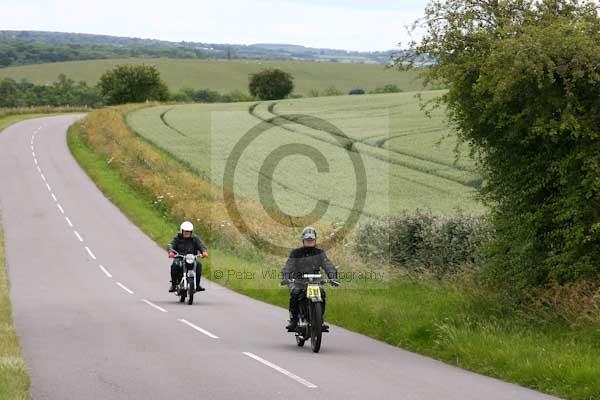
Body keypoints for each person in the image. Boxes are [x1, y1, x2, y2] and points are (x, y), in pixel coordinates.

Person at [281, 226, 340, 332]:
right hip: (298, 281)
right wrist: (286, 277)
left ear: (315, 240)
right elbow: (288, 266)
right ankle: (294, 321)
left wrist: (333, 277)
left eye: (311, 240)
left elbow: (328, 265)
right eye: (307, 240)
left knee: (321, 293)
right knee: (295, 293)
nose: (309, 242)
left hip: (315, 281)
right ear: (303, 240)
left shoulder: (320, 253)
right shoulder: (296, 252)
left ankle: (319, 321)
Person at [168, 221, 208, 292]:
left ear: (191, 232)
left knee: (198, 265)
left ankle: (197, 285)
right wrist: (171, 252)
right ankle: (174, 285)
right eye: (185, 231)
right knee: (174, 265)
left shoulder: (195, 239)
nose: (187, 233)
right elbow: (171, 245)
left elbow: (201, 245)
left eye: (189, 231)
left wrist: (204, 252)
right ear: (182, 231)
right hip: (180, 257)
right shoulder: (177, 238)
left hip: (191, 258)